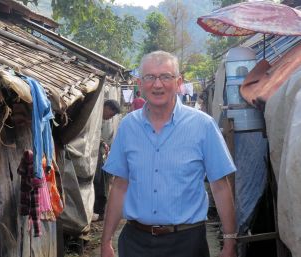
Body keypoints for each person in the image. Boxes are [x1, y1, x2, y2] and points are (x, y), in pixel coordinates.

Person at [101, 51, 237, 257]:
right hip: (136, 243)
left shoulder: (203, 125)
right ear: (139, 82)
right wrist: (106, 241)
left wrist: (229, 243)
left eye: (165, 76)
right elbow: (120, 185)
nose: (157, 85)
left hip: (187, 242)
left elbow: (220, 186)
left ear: (179, 81)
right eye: (150, 77)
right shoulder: (129, 126)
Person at [93, 99, 121, 221]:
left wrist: (102, 142)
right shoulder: (94, 116)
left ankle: (100, 210)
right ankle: (99, 210)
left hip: (99, 156)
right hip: (94, 158)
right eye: (111, 114)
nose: (110, 118)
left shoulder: (99, 117)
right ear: (106, 107)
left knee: (102, 181)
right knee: (100, 182)